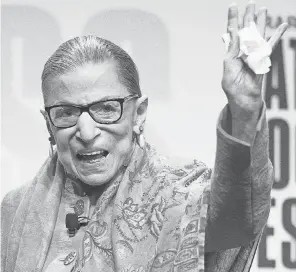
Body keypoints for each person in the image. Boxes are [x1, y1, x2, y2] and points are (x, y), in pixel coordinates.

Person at [1, 2, 288, 272]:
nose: (86, 133)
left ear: (138, 114)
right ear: (49, 125)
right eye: (66, 113)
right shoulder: (14, 212)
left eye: (106, 109)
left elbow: (237, 215)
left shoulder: (180, 194)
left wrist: (244, 113)